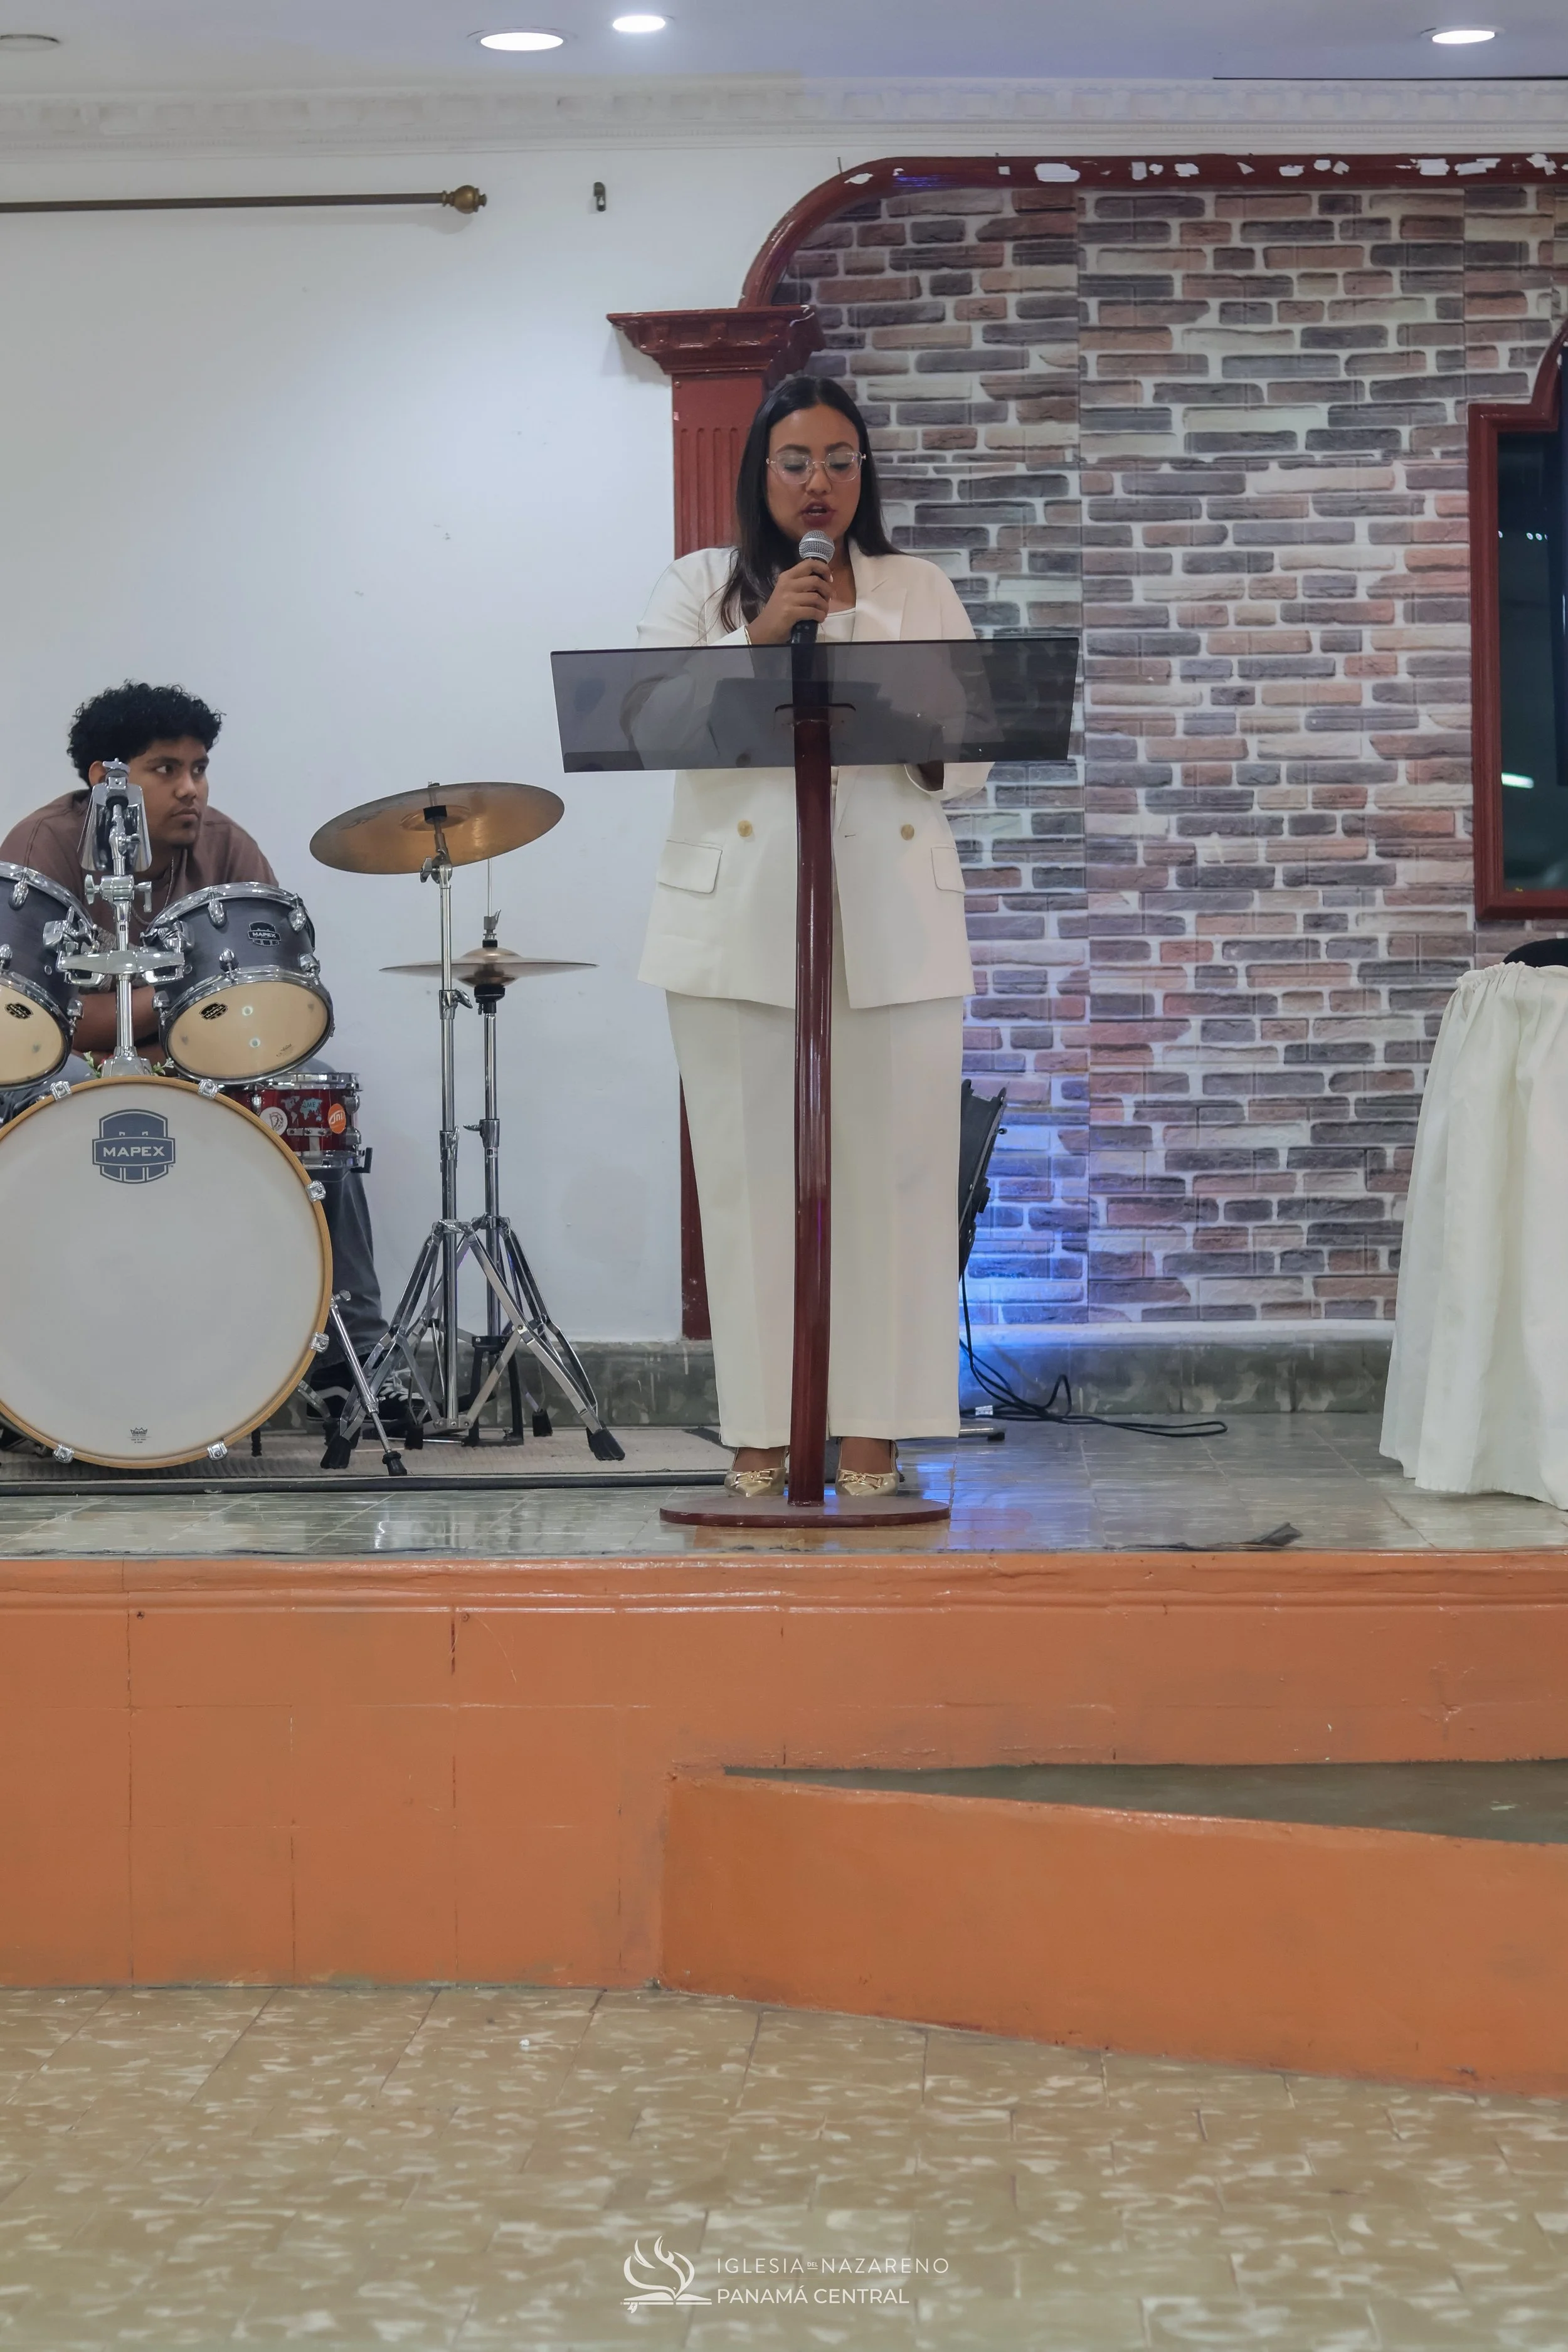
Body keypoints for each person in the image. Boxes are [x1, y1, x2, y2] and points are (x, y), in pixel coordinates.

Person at [637, 374, 989, 1497]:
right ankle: (761, 1428)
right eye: (795, 461)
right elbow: (651, 726)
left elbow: (972, 752)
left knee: (899, 1180)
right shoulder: (698, 586)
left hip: (891, 913)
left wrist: (906, 709)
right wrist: (759, 634)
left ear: (863, 473)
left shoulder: (915, 585)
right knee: (747, 1183)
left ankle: (877, 1428)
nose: (819, 482)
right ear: (760, 473)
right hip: (737, 917)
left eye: (841, 459)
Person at [0, 682, 386, 1389]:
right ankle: (37, 1366)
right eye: (166, 769)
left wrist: (166, 1017)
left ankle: (349, 1361)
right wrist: (175, 1001)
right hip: (76, 1064)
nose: (191, 789)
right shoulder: (39, 849)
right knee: (49, 1087)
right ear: (106, 780)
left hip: (207, 1062)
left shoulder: (227, 846)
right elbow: (32, 1023)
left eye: (199, 768)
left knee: (312, 1097)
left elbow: (266, 1003)